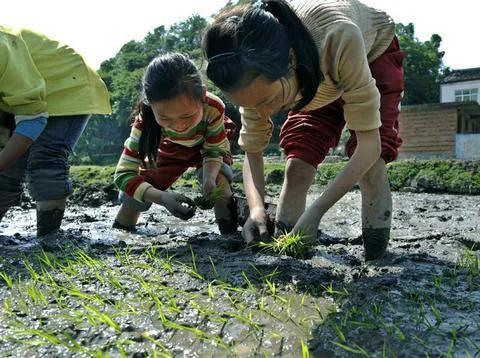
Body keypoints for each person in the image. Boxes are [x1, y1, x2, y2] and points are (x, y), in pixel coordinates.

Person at [202, 0, 404, 259]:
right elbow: (253, 153)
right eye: (250, 106)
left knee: (372, 165)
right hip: (308, 82)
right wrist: (256, 210)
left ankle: (376, 259)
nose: (263, 113)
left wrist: (315, 213)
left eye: (266, 102)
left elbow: (369, 146)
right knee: (297, 164)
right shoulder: (252, 81)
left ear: (291, 61)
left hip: (370, 54)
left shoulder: (339, 36)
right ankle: (286, 250)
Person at [0, 25, 111, 237]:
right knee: (7, 167)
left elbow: (32, 119)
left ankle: (49, 240)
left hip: (65, 83)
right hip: (19, 97)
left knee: (45, 159)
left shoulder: (2, 45)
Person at [113, 53, 238, 234]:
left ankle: (229, 235)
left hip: (206, 145)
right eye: (164, 118)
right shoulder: (145, 122)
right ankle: (122, 233)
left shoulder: (213, 108)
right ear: (150, 105)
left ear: (202, 95)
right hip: (169, 149)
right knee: (137, 192)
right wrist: (163, 198)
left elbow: (214, 151)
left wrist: (209, 179)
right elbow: (123, 175)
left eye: (187, 115)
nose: (179, 125)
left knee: (219, 183)